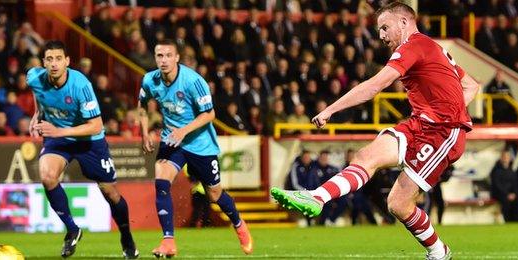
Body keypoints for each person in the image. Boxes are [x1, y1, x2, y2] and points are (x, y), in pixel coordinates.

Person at [271, 2, 480, 260]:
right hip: (420, 124)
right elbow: (470, 85)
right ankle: (317, 197)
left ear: (404, 22)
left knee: (398, 203)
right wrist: (451, 105)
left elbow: (374, 86)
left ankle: (438, 253)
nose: (380, 35)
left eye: (384, 27)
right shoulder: (431, 47)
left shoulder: (413, 45)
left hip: (442, 133)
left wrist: (329, 110)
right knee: (366, 160)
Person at [138, 39, 253, 258]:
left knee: (214, 194)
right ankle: (168, 241)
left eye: (168, 55)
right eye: (159, 56)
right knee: (161, 181)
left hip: (201, 145)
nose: (163, 60)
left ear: (177, 58)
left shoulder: (193, 81)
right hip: (172, 141)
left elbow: (209, 114)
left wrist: (184, 130)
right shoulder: (149, 81)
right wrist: (144, 132)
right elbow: (142, 107)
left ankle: (238, 223)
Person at [27, 40, 138, 258]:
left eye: (59, 58)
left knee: (110, 193)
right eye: (49, 59)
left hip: (89, 140)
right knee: (47, 176)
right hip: (58, 139)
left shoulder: (81, 85)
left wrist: (58, 131)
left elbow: (96, 125)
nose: (54, 64)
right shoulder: (34, 77)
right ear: (43, 62)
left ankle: (126, 236)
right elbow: (38, 94)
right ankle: (72, 229)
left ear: (67, 61)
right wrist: (37, 113)